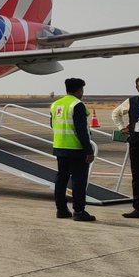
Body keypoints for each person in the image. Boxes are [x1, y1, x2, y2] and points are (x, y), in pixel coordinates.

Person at [51, 77, 96, 222]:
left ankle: (61, 210)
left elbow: (52, 124)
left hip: (59, 147)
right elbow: (82, 130)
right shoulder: (77, 105)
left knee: (61, 179)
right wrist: (89, 150)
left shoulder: (55, 104)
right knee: (78, 181)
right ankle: (79, 211)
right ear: (79, 90)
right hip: (76, 149)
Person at [111, 75, 139, 218]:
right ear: (136, 88)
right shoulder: (131, 101)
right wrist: (121, 127)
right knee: (138, 178)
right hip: (136, 144)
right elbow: (115, 114)